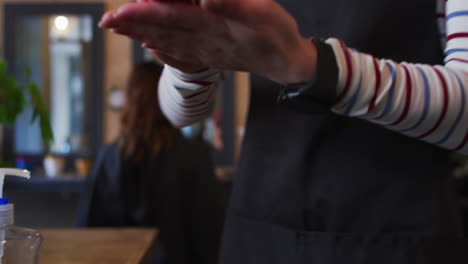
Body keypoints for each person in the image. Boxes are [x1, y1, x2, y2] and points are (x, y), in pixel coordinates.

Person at [99, 0, 468, 263]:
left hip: (397, 238)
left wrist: (311, 66)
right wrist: (191, 65)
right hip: (259, 235)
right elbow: (180, 114)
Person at [77, 62, 225, 264]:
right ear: (169, 97)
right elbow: (209, 234)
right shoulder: (194, 155)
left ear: (130, 99)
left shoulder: (108, 158)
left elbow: (89, 233)